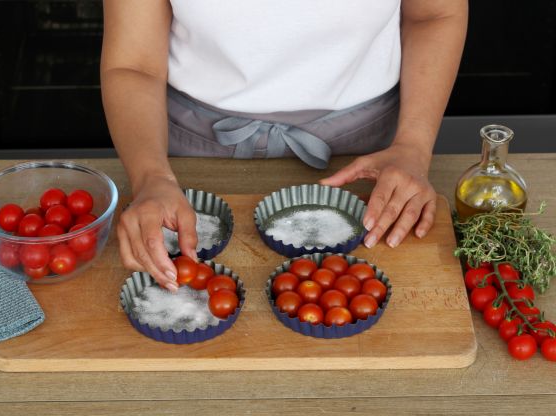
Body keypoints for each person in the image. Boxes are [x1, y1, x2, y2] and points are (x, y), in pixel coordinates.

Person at [101, 0, 468, 291]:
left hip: (368, 158)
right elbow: (134, 64)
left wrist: (414, 147)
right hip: (186, 157)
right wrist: (151, 177)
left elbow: (434, 14)